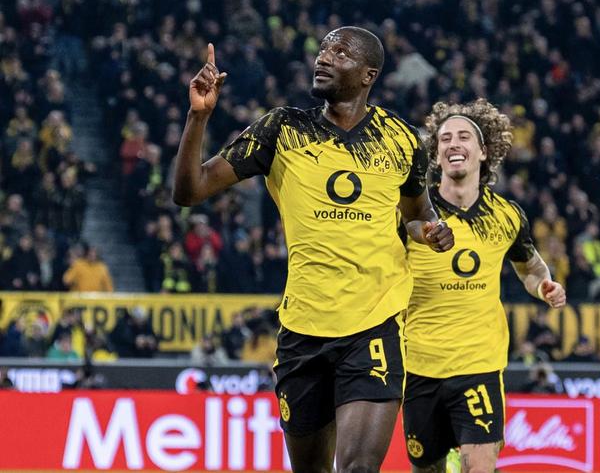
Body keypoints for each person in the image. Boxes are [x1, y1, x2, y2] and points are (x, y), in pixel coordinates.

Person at [173, 27, 455, 473]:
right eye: (323, 50)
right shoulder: (282, 129)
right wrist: (198, 117)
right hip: (304, 330)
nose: (323, 58)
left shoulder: (401, 140)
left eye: (339, 53)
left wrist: (431, 232)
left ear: (368, 75)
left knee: (359, 468)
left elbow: (417, 214)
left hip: (374, 325)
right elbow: (190, 191)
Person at [402, 99, 566, 473]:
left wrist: (544, 286)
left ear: (483, 151)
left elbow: (531, 268)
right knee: (426, 468)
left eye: (463, 137)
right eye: (444, 139)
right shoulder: (411, 214)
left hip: (479, 364)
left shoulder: (506, 215)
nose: (453, 144)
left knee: (479, 466)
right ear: (436, 155)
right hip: (419, 364)